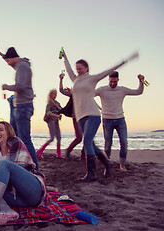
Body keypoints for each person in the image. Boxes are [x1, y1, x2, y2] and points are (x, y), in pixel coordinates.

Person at [61, 49, 139, 181]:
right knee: (91, 143)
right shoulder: (75, 80)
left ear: (87, 69)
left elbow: (109, 70)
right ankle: (107, 164)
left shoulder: (92, 79)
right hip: (80, 116)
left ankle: (91, 173)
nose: (78, 71)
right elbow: (68, 69)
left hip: (92, 114)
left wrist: (125, 60)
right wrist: (65, 57)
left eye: (80, 68)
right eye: (77, 69)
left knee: (87, 142)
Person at [0, 45, 38, 169]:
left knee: (25, 139)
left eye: (8, 61)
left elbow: (21, 86)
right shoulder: (19, 65)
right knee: (13, 136)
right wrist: (0, 54)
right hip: (19, 106)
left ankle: (35, 168)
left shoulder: (22, 66)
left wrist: (7, 87)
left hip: (23, 106)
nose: (7, 64)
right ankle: (18, 163)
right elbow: (9, 61)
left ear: (13, 58)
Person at [95, 71, 145, 171]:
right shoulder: (102, 90)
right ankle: (107, 162)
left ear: (118, 80)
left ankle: (122, 165)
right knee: (108, 144)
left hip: (120, 120)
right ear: (108, 80)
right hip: (107, 120)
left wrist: (141, 82)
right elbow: (88, 96)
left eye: (115, 81)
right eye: (111, 81)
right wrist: (97, 107)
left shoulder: (122, 90)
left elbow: (138, 92)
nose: (113, 83)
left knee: (124, 143)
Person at [58, 73, 86, 160]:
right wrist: (61, 79)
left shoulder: (85, 91)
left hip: (86, 116)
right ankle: (68, 151)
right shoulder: (72, 93)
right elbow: (61, 90)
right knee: (79, 138)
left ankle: (83, 154)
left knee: (89, 136)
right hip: (76, 117)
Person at [36, 89, 64, 159]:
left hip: (56, 122)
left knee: (59, 137)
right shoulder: (49, 104)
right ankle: (40, 150)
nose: (55, 95)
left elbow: (62, 110)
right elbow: (48, 113)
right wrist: (57, 116)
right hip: (51, 121)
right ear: (51, 95)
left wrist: (57, 107)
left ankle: (58, 154)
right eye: (54, 94)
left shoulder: (57, 103)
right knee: (52, 138)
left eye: (56, 94)